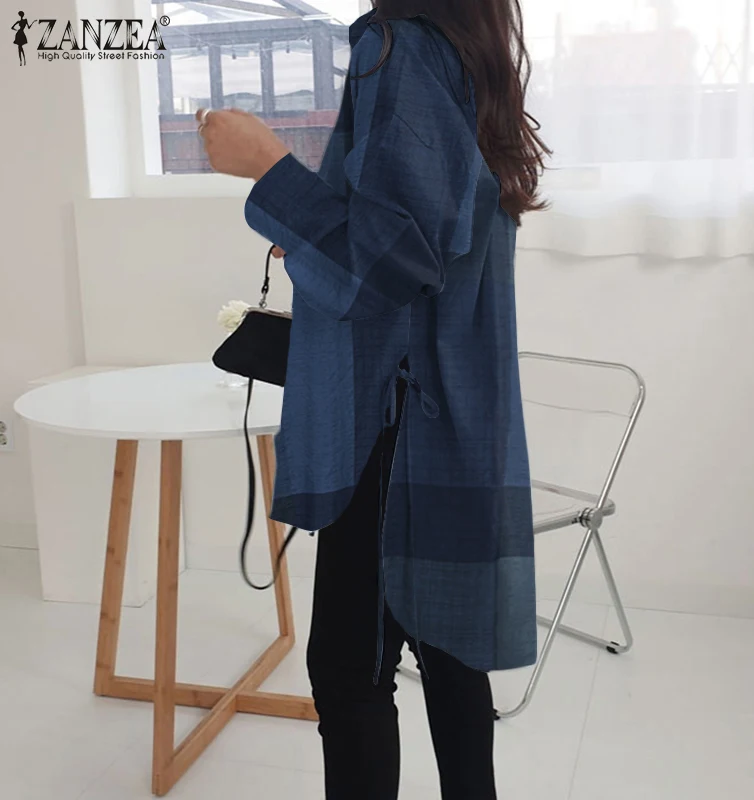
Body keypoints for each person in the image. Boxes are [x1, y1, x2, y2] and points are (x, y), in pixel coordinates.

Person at [196, 2, 550, 797]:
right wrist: (317, 222)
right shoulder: (466, 55)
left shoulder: (400, 48)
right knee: (446, 645)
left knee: (349, 668)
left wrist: (268, 166)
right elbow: (423, 237)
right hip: (451, 407)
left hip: (396, 415)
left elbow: (394, 265)